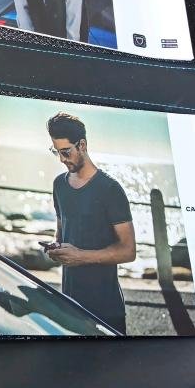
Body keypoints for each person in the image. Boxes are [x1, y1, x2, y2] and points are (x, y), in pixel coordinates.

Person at [44, 111, 135, 334]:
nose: (61, 159)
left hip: (106, 309)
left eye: (66, 152)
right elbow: (62, 234)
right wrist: (56, 249)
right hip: (70, 306)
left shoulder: (110, 189)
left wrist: (80, 256)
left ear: (82, 145)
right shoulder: (59, 185)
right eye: (56, 152)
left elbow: (128, 251)